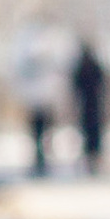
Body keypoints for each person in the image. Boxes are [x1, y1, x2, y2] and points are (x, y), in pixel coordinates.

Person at [11, 22, 66, 176]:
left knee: (42, 133)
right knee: (40, 133)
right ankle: (40, 159)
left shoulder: (40, 56)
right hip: (39, 99)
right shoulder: (40, 57)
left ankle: (42, 159)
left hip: (40, 99)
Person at [72, 40, 107, 175]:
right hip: (92, 105)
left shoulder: (85, 66)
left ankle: (92, 156)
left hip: (89, 104)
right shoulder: (91, 66)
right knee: (92, 131)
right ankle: (92, 156)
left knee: (91, 131)